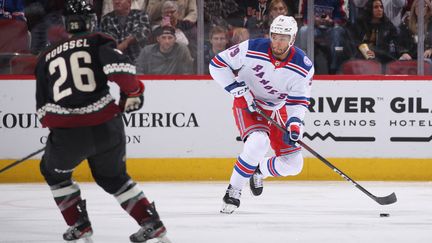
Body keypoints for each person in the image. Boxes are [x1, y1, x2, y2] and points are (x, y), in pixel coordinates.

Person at [35, 0, 170, 242]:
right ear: (91, 21)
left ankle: (79, 223)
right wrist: (134, 93)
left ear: (67, 23)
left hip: (68, 136)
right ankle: (151, 222)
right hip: (108, 127)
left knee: (53, 172)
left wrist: (59, 129)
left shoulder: (45, 56)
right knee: (114, 177)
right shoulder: (98, 40)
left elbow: (43, 110)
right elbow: (123, 73)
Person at [209, 15, 314, 214]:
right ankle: (234, 190)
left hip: (278, 108)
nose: (278, 42)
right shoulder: (252, 47)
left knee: (293, 165)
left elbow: (298, 100)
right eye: (275, 36)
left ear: (292, 39)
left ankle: (259, 170)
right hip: (249, 103)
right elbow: (217, 64)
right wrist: (237, 89)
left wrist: (294, 123)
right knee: (258, 142)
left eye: (283, 38)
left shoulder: (303, 65)